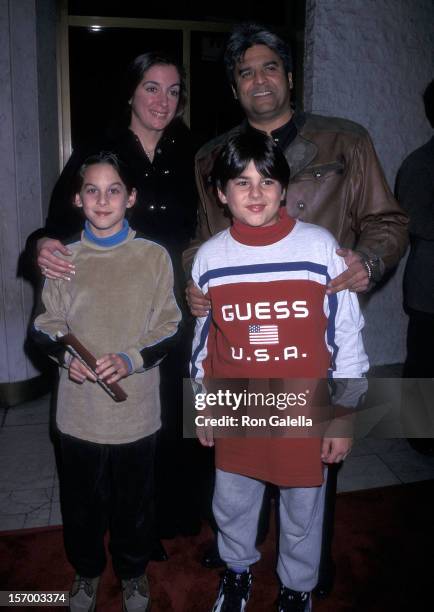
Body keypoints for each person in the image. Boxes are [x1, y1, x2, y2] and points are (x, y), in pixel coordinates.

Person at [184, 22, 408, 593]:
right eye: (244, 72)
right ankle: (240, 562)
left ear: (289, 76)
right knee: (238, 477)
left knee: (310, 479)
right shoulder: (213, 154)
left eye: (269, 67)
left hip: (314, 330)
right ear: (234, 87)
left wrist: (366, 262)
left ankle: (301, 576)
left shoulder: (346, 141)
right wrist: (195, 286)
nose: (258, 80)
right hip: (245, 346)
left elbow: (388, 222)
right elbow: (203, 238)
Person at [190, 129, 368, 611]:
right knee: (233, 500)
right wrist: (206, 406)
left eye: (267, 182)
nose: (254, 193)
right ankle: (237, 571)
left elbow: (346, 336)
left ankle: (297, 586)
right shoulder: (209, 259)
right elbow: (204, 342)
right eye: (241, 182)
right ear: (221, 193)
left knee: (303, 506)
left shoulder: (320, 249)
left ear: (284, 190)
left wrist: (344, 412)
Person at [28, 51, 199, 544]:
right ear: (130, 91)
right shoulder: (99, 148)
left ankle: (163, 522)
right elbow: (58, 220)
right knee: (115, 424)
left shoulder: (194, 149)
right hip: (110, 295)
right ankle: (110, 528)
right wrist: (40, 244)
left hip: (173, 297)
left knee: (173, 410)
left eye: (173, 91)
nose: (162, 100)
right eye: (151, 87)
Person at [31, 152, 181, 612]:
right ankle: (86, 571)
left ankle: (133, 573)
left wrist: (131, 358)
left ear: (131, 197)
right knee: (82, 505)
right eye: (91, 190)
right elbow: (45, 324)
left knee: (134, 505)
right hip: (79, 416)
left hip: (136, 415)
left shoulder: (153, 258)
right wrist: (66, 357)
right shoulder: (64, 259)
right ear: (77, 199)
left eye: (114, 189)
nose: (102, 199)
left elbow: (170, 327)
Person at [395, 79, 434, 455]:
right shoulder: (420, 163)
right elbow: (414, 221)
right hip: (428, 288)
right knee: (424, 361)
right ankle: (420, 436)